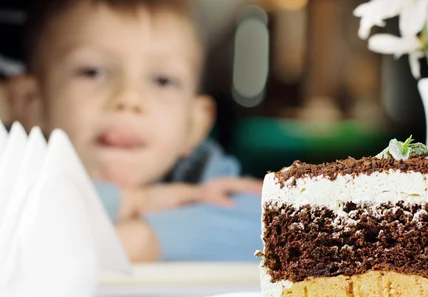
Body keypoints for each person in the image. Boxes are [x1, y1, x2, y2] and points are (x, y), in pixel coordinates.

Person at [12, 0, 263, 262]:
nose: (130, 98)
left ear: (194, 124)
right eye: (93, 72)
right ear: (32, 104)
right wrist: (133, 202)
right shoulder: (16, 168)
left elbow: (265, 222)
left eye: (162, 80)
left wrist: (136, 240)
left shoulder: (198, 172)